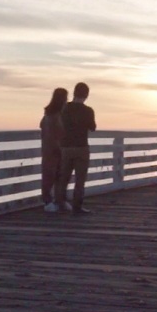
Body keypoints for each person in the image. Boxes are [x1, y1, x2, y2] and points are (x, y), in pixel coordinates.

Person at [53, 82, 96, 215]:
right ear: (86, 95)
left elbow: (58, 125)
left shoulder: (65, 108)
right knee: (80, 179)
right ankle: (77, 207)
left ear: (74, 93)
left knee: (64, 177)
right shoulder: (88, 110)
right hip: (81, 147)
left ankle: (60, 203)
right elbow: (92, 127)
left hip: (66, 147)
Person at [39, 87, 68, 210]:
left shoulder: (55, 114)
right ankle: (47, 202)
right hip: (51, 150)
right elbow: (52, 132)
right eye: (66, 98)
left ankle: (59, 200)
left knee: (61, 175)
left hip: (58, 149)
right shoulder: (51, 115)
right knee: (50, 175)